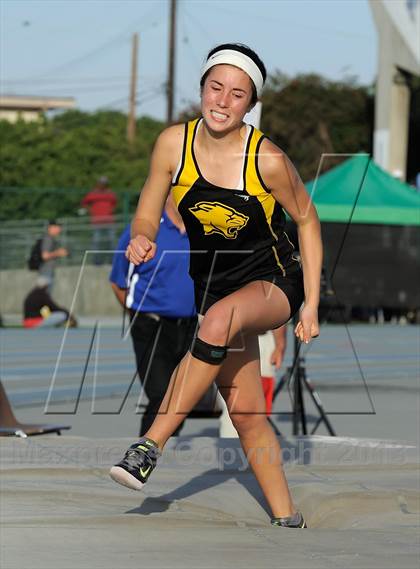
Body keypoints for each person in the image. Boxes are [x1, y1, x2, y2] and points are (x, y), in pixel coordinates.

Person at [110, 43, 322, 529]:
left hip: (272, 281)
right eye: (215, 88)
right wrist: (142, 237)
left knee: (224, 319)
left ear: (251, 104)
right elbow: (147, 207)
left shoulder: (266, 159)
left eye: (237, 94)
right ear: (202, 89)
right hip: (213, 288)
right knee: (245, 412)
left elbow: (308, 223)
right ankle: (288, 516)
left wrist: (310, 303)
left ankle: (150, 444)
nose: (223, 101)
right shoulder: (172, 144)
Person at [109, 196, 198, 436]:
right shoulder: (142, 232)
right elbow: (119, 283)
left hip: (191, 326)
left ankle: (159, 450)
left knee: (181, 398)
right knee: (160, 393)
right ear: (167, 192)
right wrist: (139, 313)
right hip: (151, 324)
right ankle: (144, 454)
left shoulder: (202, 228)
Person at [81, 176, 117, 264]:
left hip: (109, 222)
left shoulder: (110, 193)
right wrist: (91, 211)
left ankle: (112, 261)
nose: (102, 185)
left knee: (111, 242)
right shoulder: (93, 194)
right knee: (96, 242)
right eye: (101, 183)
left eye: (104, 183)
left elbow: (114, 203)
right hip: (97, 222)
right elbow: (84, 203)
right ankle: (97, 261)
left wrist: (110, 210)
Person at [39, 219, 68, 291]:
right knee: (44, 296)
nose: (60, 229)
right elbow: (44, 256)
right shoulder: (48, 239)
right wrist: (59, 252)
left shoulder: (50, 238)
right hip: (46, 272)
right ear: (51, 227)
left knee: (45, 297)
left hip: (47, 271)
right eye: (58, 227)